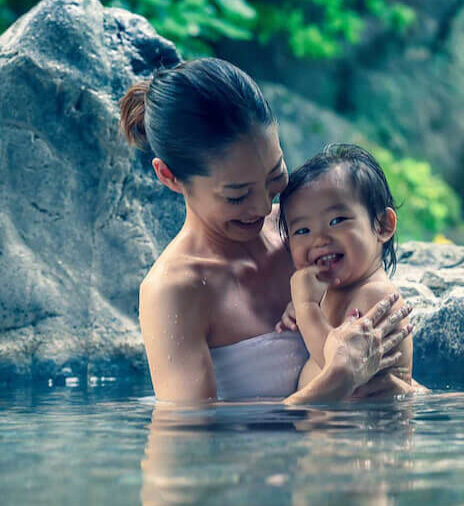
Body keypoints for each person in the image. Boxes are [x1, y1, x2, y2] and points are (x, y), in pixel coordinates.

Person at [118, 58, 415, 404]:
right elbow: (189, 447)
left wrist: (400, 391)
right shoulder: (175, 291)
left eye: (275, 175)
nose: (263, 208)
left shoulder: (305, 236)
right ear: (169, 176)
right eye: (237, 195)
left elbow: (384, 373)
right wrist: (339, 379)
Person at [278, 144, 413, 396]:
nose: (319, 239)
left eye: (336, 221)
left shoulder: (376, 296)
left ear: (382, 225)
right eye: (302, 230)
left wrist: (306, 308)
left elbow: (341, 368)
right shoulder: (337, 290)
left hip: (362, 433)